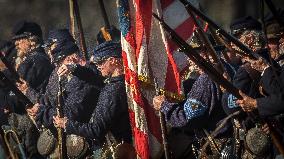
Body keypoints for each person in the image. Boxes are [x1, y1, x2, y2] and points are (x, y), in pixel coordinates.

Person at [53, 41, 134, 159]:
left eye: (101, 62)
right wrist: (75, 68)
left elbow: (96, 130)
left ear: (113, 61)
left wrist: (66, 124)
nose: (98, 66)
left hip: (122, 148)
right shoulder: (128, 80)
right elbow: (95, 77)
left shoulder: (112, 91)